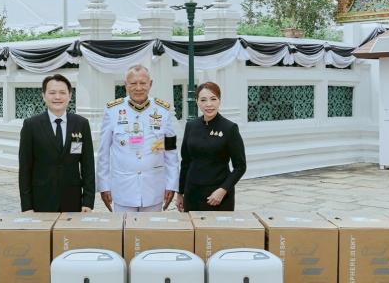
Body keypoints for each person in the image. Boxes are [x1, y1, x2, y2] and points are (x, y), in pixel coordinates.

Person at [97, 64, 178, 212]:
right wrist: (104, 185)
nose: (138, 88)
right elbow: (103, 152)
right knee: (124, 227)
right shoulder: (113, 111)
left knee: (152, 227)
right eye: (133, 83)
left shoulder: (163, 111)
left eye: (143, 83)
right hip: (123, 188)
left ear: (150, 84)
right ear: (126, 85)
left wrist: (171, 184)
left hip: (153, 188)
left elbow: (171, 151)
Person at [18, 74, 95, 212]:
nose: (57, 97)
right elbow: (25, 168)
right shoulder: (31, 125)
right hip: (41, 200)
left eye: (62, 93)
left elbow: (87, 165)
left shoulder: (81, 124)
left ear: (70, 96)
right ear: (44, 95)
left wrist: (88, 202)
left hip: (73, 200)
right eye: (52, 93)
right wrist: (27, 206)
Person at [176, 82, 247, 211]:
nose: (208, 104)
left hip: (218, 196)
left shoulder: (230, 128)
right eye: (203, 100)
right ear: (197, 102)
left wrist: (223, 189)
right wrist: (180, 192)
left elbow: (240, 166)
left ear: (219, 100)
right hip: (192, 193)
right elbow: (185, 162)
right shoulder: (191, 126)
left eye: (213, 99)